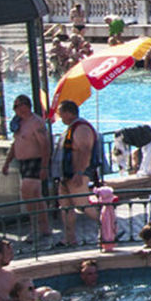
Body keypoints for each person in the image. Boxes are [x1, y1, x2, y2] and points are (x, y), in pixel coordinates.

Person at [2, 95, 51, 238]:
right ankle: (44, 226)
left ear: (25, 106)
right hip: (23, 162)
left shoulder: (36, 123)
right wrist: (7, 162)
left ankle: (35, 226)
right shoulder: (19, 123)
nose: (14, 109)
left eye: (16, 106)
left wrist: (44, 166)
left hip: (35, 161)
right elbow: (15, 144)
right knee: (36, 195)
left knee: (27, 192)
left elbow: (45, 145)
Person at [54, 100, 101, 245]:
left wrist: (79, 172)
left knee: (84, 205)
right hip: (65, 175)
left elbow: (85, 150)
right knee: (66, 207)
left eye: (61, 115)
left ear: (69, 113)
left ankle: (110, 227)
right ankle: (69, 238)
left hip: (77, 174)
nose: (60, 118)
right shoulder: (71, 128)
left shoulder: (82, 128)